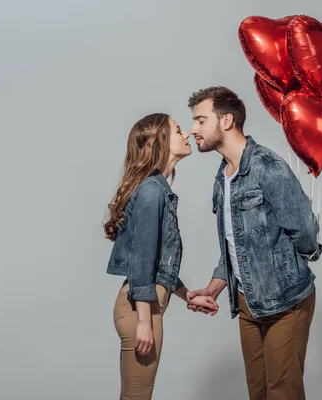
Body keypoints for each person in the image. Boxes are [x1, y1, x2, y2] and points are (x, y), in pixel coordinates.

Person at [185, 87, 322, 400]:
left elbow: (304, 229)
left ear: (226, 121)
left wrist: (284, 269)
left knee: (282, 394)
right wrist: (218, 283)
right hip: (248, 304)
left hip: (286, 302)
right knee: (258, 393)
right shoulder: (223, 175)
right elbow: (235, 241)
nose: (194, 129)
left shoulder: (267, 168)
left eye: (201, 120)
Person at [104, 112, 219, 400]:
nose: (187, 134)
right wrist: (144, 321)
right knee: (137, 397)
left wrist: (187, 294)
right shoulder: (152, 192)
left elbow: (156, 262)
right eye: (179, 130)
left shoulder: (156, 189)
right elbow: (142, 261)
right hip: (139, 309)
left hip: (142, 306)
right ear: (162, 143)